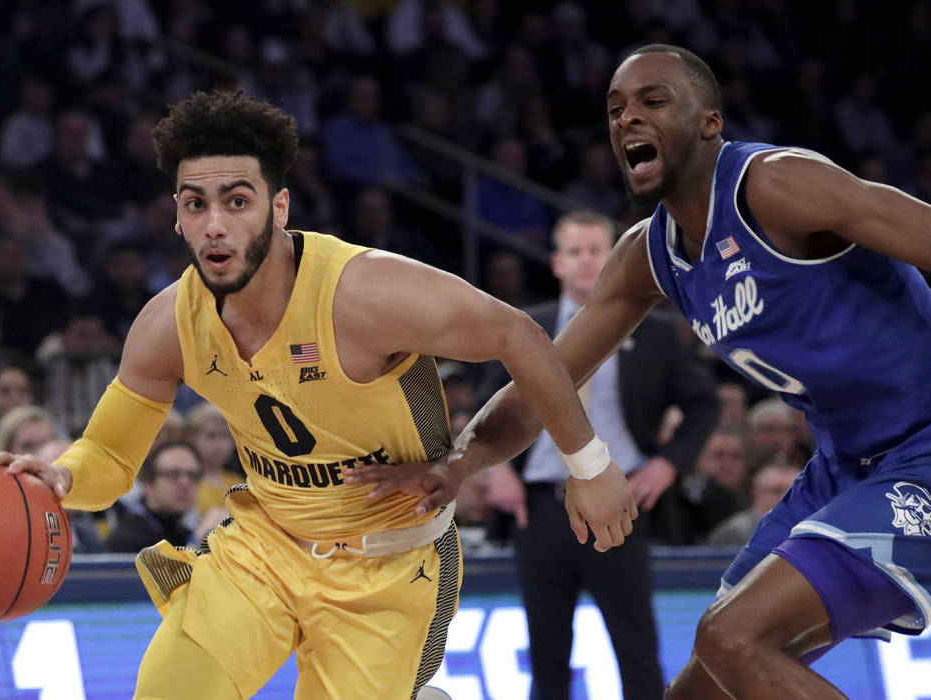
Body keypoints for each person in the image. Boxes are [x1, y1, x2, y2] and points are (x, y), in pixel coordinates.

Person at [0, 88, 635, 699]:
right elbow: (109, 456)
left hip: (386, 567)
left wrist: (590, 465)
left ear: (279, 206)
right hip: (265, 547)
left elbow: (520, 334)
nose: (215, 225)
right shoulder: (168, 322)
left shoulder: (365, 293)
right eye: (195, 203)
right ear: (176, 215)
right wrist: (59, 476)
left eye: (237, 200)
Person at [347, 44, 931, 699]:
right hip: (847, 463)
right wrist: (457, 464)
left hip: (922, 446)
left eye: (653, 101)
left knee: (730, 638)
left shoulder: (776, 185)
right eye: (616, 109)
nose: (628, 119)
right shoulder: (645, 257)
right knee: (706, 683)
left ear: (710, 122)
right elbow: (545, 382)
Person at [481, 210, 718, 700]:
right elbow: (488, 407)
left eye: (596, 251)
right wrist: (499, 469)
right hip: (540, 507)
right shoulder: (526, 328)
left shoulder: (654, 331)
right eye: (575, 251)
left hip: (621, 503)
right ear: (556, 262)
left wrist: (667, 463)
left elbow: (705, 403)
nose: (587, 262)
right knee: (546, 653)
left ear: (613, 259)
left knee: (636, 647)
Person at [107, 440, 204, 553]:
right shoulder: (129, 538)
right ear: (148, 485)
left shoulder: (184, 529)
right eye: (173, 474)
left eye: (192, 475)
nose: (185, 483)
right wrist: (200, 540)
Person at [707, 461, 800, 547]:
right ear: (756, 493)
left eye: (792, 492)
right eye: (776, 491)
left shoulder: (807, 531)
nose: (785, 498)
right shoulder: (734, 533)